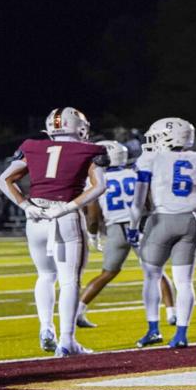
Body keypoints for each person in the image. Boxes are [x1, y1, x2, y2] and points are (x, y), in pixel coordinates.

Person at [0, 108, 110, 356]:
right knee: (70, 279)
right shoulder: (92, 150)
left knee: (45, 275)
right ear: (80, 127)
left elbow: (4, 179)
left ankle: (46, 327)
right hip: (64, 215)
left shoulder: (31, 146)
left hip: (35, 217)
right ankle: (67, 341)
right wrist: (69, 206)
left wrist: (25, 205)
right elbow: (100, 186)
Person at [136, 117, 196, 349]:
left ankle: (153, 330)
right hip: (191, 222)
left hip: (161, 220)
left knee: (152, 276)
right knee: (184, 282)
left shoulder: (150, 158)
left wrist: (134, 227)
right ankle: (181, 334)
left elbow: (138, 202)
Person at [73, 141, 147, 330]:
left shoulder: (97, 180)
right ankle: (173, 313)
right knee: (156, 272)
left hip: (115, 229)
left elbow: (93, 216)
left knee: (107, 273)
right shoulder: (136, 174)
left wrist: (93, 236)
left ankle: (78, 311)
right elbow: (148, 202)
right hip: (139, 226)